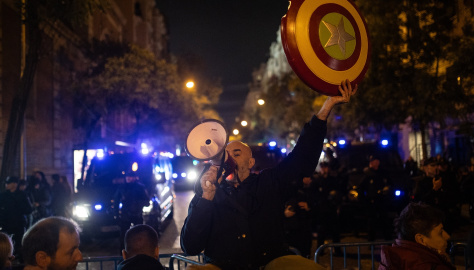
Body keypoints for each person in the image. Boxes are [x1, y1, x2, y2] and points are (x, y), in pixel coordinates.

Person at [181, 80, 357, 269]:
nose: (229, 158)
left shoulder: (269, 182)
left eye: (237, 153)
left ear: (251, 163)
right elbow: (190, 246)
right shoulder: (208, 194)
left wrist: (325, 109)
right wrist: (206, 200)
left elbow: (301, 159)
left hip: (270, 263)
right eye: (226, 154)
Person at [378, 202, 455, 270]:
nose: (447, 236)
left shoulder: (394, 260)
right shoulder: (430, 266)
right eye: (440, 233)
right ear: (421, 240)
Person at [358, 154, 393, 241]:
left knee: (385, 221)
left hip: (382, 200)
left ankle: (388, 241)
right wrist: (364, 201)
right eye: (374, 161)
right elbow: (361, 188)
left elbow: (390, 183)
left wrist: (388, 189)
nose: (376, 163)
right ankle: (371, 241)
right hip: (371, 201)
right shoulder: (367, 173)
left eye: (377, 161)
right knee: (371, 222)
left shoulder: (383, 172)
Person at [114, 172, 150, 252]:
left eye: (130, 177)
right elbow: (116, 201)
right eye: (127, 177)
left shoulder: (140, 187)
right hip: (125, 215)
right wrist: (116, 215)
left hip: (137, 214)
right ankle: (124, 254)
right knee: (124, 236)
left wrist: (137, 205)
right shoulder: (122, 187)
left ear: (134, 178)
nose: (128, 178)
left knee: (138, 235)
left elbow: (146, 201)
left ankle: (139, 251)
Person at [0, 176, 33, 263]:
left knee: (19, 243)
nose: (6, 185)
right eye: (6, 183)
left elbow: (29, 209)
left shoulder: (22, 195)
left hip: (18, 224)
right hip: (6, 224)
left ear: (14, 184)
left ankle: (20, 261)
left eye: (8, 183)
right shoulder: (3, 196)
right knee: (5, 243)